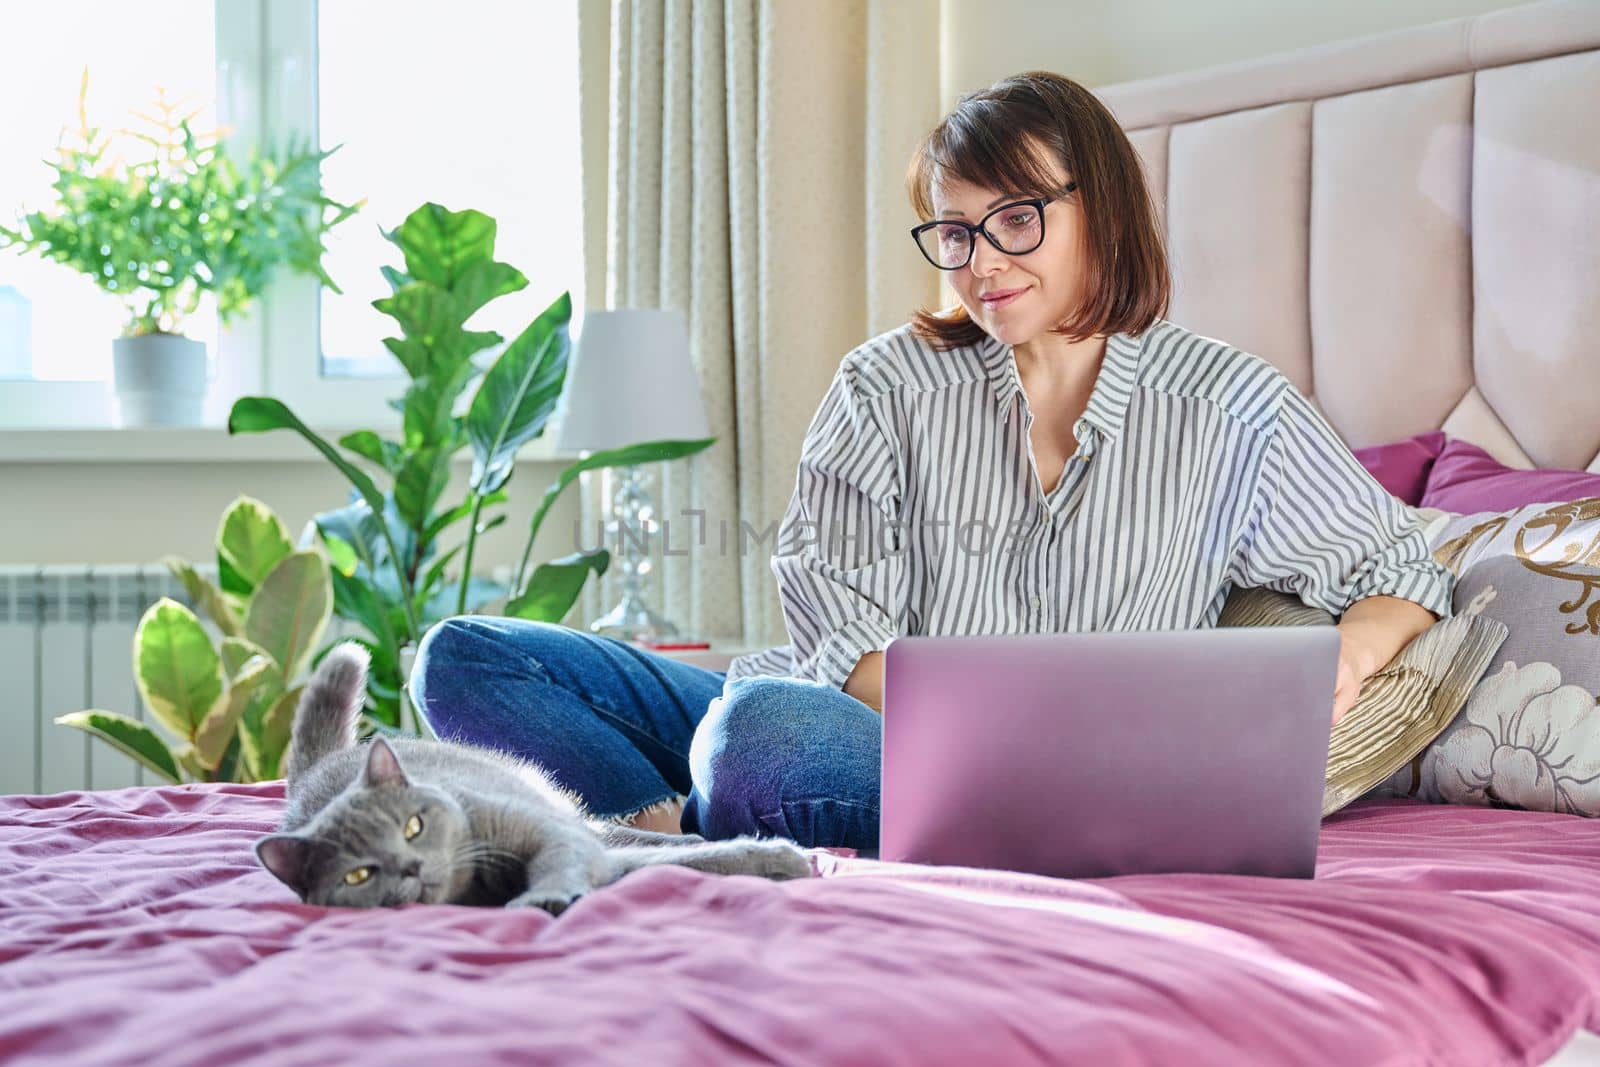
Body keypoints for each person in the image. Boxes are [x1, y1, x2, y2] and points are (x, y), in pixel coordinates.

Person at [409, 71, 1453, 855]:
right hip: (836, 715)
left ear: (1104, 211)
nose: (983, 260)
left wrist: (1348, 658)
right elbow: (836, 635)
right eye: (955, 232)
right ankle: (662, 843)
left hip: (1005, 783)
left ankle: (675, 825)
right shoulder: (886, 385)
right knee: (464, 654)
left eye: (1016, 218)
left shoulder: (1228, 403)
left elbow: (1409, 568)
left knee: (762, 736)